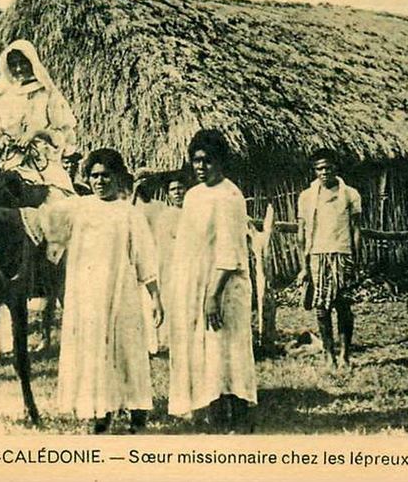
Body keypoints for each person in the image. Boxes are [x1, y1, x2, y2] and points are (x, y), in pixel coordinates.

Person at [34, 148, 163, 434]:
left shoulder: (129, 213)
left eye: (106, 176)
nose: (100, 181)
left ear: (117, 177)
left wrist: (155, 296)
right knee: (94, 351)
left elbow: (144, 257)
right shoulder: (78, 208)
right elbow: (45, 219)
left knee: (127, 349)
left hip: (121, 292)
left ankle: (137, 411)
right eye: (94, 176)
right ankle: (101, 412)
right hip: (87, 295)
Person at [167, 130, 256, 433]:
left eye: (207, 160)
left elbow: (230, 252)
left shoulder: (229, 196)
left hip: (223, 285)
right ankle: (213, 414)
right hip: (196, 284)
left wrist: (212, 296)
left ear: (221, 162)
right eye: (196, 161)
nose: (201, 167)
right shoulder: (194, 195)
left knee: (227, 350)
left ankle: (239, 417)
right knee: (205, 352)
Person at [0, 39, 80, 195]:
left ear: (32, 62)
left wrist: (37, 133)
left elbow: (64, 136)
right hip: (7, 162)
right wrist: (0, 138)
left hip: (44, 164)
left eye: (23, 63)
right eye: (13, 64)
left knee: (59, 199)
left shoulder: (48, 94)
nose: (19, 69)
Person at [295, 149, 363, 370]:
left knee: (343, 306)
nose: (324, 172)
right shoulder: (306, 197)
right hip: (317, 256)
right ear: (314, 171)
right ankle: (328, 354)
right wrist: (304, 266)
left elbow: (356, 229)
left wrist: (355, 259)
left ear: (336, 168)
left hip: (342, 254)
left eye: (328, 167)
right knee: (321, 308)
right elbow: (301, 234)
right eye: (319, 168)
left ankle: (345, 354)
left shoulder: (350, 194)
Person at [153, 175, 188, 352]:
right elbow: (162, 247)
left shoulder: (195, 214)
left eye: (181, 188)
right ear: (168, 195)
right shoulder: (165, 217)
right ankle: (170, 340)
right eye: (173, 190)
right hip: (171, 266)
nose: (178, 193)